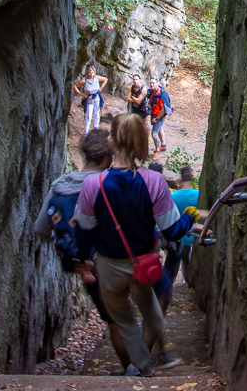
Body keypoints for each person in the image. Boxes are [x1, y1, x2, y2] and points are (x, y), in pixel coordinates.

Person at [73, 113, 196, 376]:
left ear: (111, 141)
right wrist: (189, 218)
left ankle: (142, 367)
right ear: (142, 142)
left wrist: (82, 260)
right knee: (149, 304)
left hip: (109, 266)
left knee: (124, 320)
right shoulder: (153, 181)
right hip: (144, 263)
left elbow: (84, 230)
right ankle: (154, 358)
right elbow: (172, 229)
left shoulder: (93, 184)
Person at [33, 128, 132, 371]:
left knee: (112, 318)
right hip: (111, 260)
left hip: (82, 264)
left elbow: (41, 229)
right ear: (108, 157)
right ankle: (135, 370)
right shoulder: (108, 184)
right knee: (122, 316)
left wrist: (71, 248)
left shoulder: (60, 185)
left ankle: (131, 369)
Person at [164, 165, 201, 287]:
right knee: (189, 260)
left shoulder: (173, 197)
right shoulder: (198, 195)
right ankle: (190, 282)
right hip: (196, 236)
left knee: (178, 259)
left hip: (179, 235)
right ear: (192, 179)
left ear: (180, 179)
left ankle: (177, 281)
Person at [73, 65, 107, 134]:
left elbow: (105, 79)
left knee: (97, 114)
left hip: (96, 97)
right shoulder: (84, 80)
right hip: (89, 99)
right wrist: (81, 94)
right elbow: (75, 86)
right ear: (87, 73)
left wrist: (101, 87)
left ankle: (96, 129)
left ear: (94, 72)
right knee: (89, 115)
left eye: (92, 72)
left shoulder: (96, 78)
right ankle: (86, 132)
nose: (91, 74)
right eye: (89, 72)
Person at [146, 76, 171, 155]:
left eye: (153, 83)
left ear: (157, 83)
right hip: (154, 113)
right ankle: (163, 145)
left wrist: (156, 119)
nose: (151, 85)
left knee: (154, 134)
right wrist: (148, 107)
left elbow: (163, 110)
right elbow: (150, 101)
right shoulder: (152, 92)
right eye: (150, 83)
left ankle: (157, 151)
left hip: (160, 115)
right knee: (159, 128)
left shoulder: (161, 95)